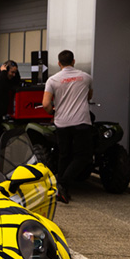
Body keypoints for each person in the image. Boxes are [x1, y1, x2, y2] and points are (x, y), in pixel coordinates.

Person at [42, 50, 93, 204]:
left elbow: (45, 104)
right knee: (83, 157)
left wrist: (52, 111)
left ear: (59, 63)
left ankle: (61, 188)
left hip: (62, 123)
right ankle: (62, 183)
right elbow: (89, 97)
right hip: (81, 122)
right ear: (73, 61)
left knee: (64, 155)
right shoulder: (86, 77)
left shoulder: (52, 80)